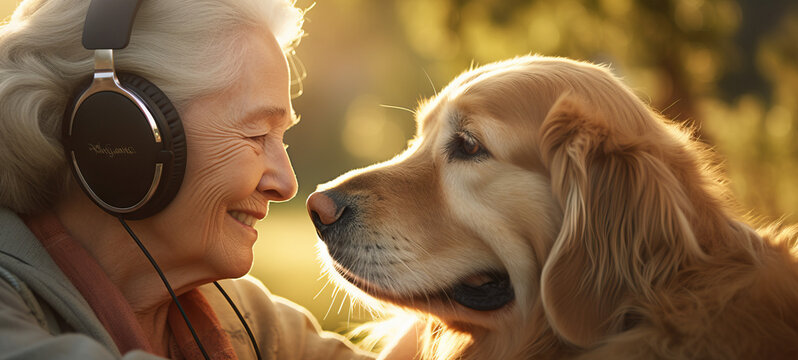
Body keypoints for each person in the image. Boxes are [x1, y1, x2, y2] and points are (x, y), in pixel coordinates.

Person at [0, 0, 415, 358]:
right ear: (119, 134)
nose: (287, 184)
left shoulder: (242, 316)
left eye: (281, 138)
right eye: (256, 134)